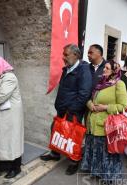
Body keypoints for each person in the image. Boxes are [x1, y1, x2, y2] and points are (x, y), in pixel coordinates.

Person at [40, 44, 92, 175]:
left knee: (73, 137)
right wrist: (59, 105)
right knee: (56, 130)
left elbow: (84, 94)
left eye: (66, 54)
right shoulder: (67, 69)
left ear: (76, 55)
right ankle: (55, 153)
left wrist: (72, 109)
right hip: (62, 109)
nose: (63, 57)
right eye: (63, 54)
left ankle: (74, 162)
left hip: (73, 111)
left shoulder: (83, 70)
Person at [80, 60, 127, 183]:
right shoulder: (101, 83)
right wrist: (90, 105)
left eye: (107, 68)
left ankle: (108, 176)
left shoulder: (119, 84)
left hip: (107, 126)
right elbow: (90, 99)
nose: (104, 70)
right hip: (93, 124)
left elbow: (123, 106)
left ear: (114, 71)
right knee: (95, 151)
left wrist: (105, 107)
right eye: (104, 68)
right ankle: (96, 172)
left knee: (106, 153)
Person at [0, 56, 24, 179]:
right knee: (2, 140)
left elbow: (0, 96)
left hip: (10, 116)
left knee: (12, 141)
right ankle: (3, 164)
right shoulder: (0, 77)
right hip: (3, 114)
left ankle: (16, 168)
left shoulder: (10, 78)